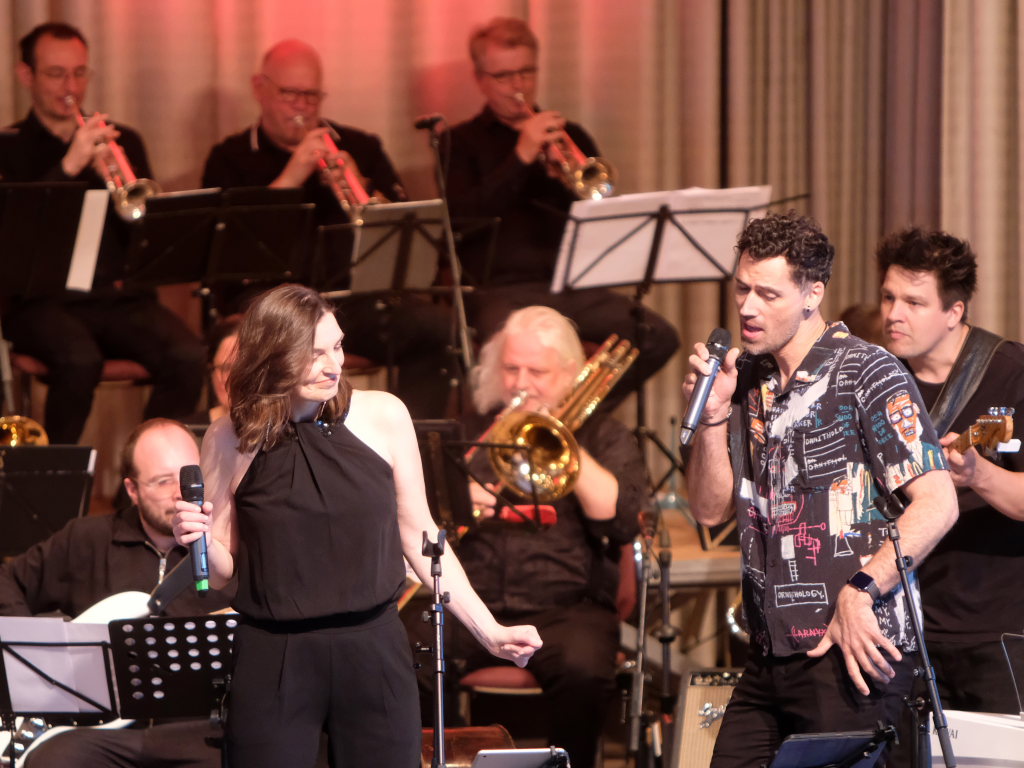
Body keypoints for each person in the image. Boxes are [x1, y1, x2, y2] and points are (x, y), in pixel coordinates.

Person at [171, 283, 541, 767]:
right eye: (314, 354)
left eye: (338, 346)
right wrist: (197, 539)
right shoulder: (229, 437)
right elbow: (222, 573)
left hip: (372, 647)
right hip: (274, 653)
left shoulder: (384, 415)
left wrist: (488, 630)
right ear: (273, 357)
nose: (334, 365)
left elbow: (420, 533)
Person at [682, 212, 958, 767]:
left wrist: (861, 589)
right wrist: (711, 418)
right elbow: (709, 511)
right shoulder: (747, 380)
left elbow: (938, 503)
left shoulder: (868, 371)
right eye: (741, 288)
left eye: (768, 294)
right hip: (769, 653)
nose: (748, 307)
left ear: (813, 294)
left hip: (853, 650)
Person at [406, 305, 645, 768]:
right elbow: (420, 522)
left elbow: (621, 522)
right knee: (405, 654)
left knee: (584, 672)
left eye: (537, 372)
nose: (521, 383)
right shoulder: (468, 432)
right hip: (470, 604)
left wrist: (560, 436)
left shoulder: (605, 435)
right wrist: (458, 499)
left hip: (566, 610)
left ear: (571, 374)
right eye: (511, 369)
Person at [201, 39, 452, 419]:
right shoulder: (229, 158)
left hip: (350, 302)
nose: (302, 106)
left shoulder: (361, 147)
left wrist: (360, 186)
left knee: (437, 330)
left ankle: (412, 438)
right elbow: (225, 250)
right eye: (290, 94)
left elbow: (402, 224)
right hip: (271, 305)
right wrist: (292, 177)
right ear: (260, 89)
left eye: (311, 96)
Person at [444, 17, 679, 411]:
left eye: (526, 71)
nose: (518, 85)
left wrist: (568, 186)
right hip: (502, 289)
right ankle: (521, 433)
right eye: (504, 76)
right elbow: (460, 222)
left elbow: (605, 214)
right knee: (503, 353)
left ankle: (573, 421)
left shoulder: (571, 135)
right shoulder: (459, 142)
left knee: (657, 336)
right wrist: (520, 157)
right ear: (480, 80)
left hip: (575, 286)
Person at [0, 22, 205, 444]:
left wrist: (120, 190)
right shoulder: (9, 147)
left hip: (118, 298)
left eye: (79, 73)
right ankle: (56, 475)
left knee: (188, 355)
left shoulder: (123, 140)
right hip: (40, 302)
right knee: (79, 362)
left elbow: (149, 234)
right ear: (26, 76)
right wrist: (69, 168)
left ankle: (150, 470)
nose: (71, 87)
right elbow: (14, 235)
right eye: (56, 74)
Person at [0, 418, 234, 767]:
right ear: (132, 490)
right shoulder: (86, 539)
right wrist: (38, 652)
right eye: (162, 481)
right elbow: (7, 581)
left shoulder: (226, 550)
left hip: (196, 731)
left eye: (187, 476)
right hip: (99, 733)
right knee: (51, 761)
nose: (179, 492)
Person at [877, 227, 1024, 714]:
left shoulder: (1010, 373)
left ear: (954, 312)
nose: (893, 314)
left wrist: (980, 475)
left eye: (914, 303)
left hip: (994, 630)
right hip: (899, 627)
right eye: (888, 297)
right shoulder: (875, 378)